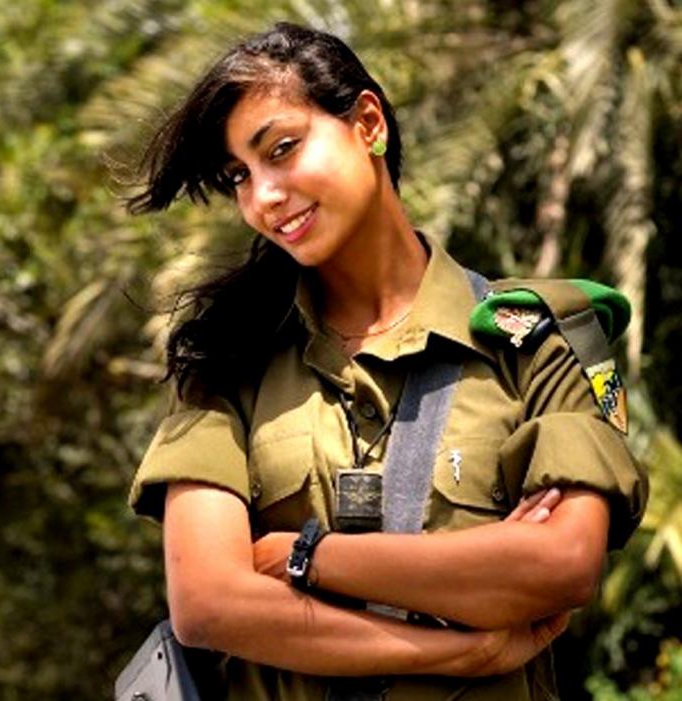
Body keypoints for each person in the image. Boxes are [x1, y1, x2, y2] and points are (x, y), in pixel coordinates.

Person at [126, 22, 647, 701]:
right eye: (239, 177)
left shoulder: (535, 341)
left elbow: (563, 563)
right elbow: (208, 603)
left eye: (282, 149)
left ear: (367, 124)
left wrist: (303, 556)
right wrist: (460, 651)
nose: (264, 197)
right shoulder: (227, 362)